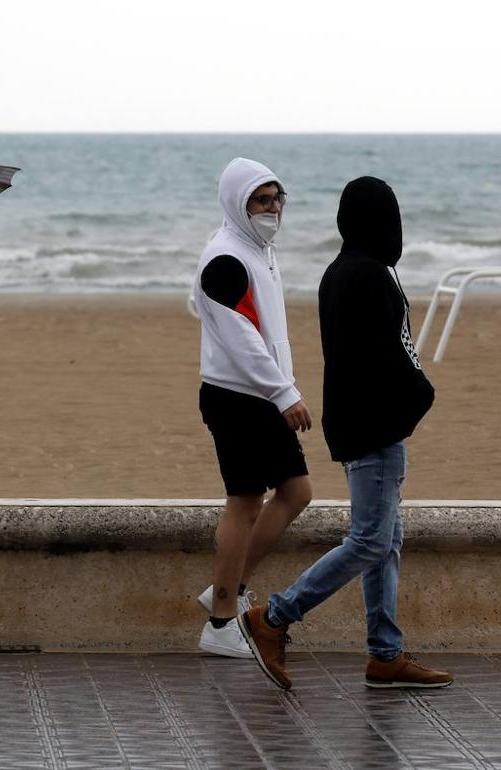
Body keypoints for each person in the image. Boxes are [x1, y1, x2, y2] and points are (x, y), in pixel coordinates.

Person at [240, 177, 452, 690]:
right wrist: (420, 394)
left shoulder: (344, 271)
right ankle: (275, 617)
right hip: (373, 426)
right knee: (370, 540)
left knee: (386, 541)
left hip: (364, 422)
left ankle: (385, 654)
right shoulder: (367, 275)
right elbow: (381, 357)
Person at [192, 157, 313, 658]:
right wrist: (284, 392)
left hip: (262, 391)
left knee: (297, 492)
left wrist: (281, 385)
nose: (271, 209)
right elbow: (240, 338)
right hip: (236, 396)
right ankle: (220, 624)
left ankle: (228, 587)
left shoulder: (258, 248)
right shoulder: (225, 257)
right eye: (260, 201)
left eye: (276, 199)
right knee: (244, 502)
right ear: (237, 203)